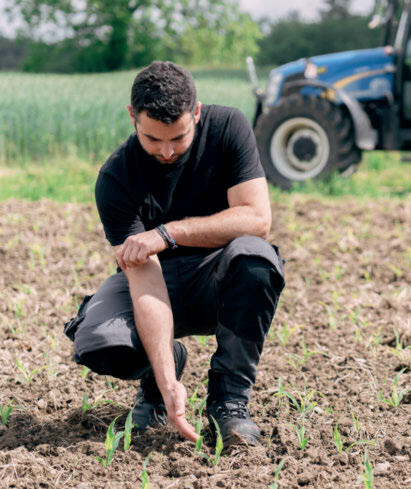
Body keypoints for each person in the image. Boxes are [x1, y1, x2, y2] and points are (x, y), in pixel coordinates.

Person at [63, 61, 285, 447]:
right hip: (157, 286)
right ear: (133, 117)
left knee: (256, 257)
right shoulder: (116, 178)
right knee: (96, 340)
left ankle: (229, 403)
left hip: (218, 279)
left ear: (196, 113)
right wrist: (168, 382)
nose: (166, 151)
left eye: (178, 138)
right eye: (152, 139)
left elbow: (257, 219)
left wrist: (166, 234)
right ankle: (159, 371)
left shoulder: (228, 128)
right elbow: (146, 281)